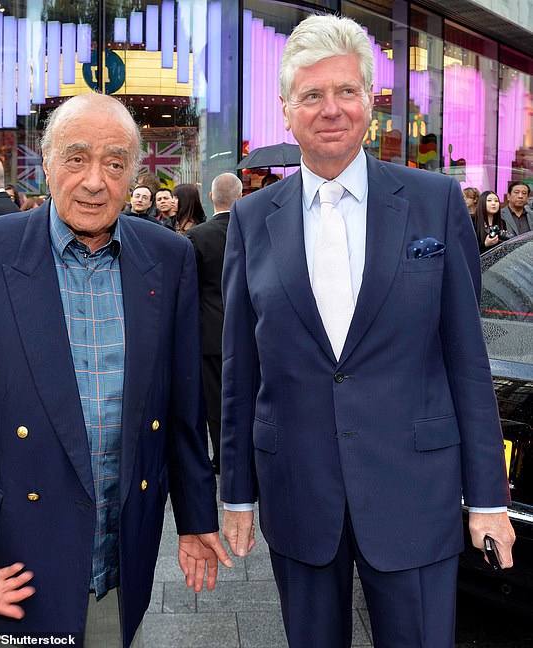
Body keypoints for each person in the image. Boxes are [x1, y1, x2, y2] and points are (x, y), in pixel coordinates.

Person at [220, 13, 514, 648]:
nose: (332, 109)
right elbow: (240, 373)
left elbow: (468, 362)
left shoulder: (433, 201)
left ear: (371, 104)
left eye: (347, 91)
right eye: (313, 95)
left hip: (416, 493)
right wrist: (237, 496)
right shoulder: (249, 220)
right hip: (299, 493)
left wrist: (489, 497)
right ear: (286, 109)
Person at [0, 92, 231, 647]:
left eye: (114, 163)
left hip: (116, 566)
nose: (93, 181)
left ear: (134, 174)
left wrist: (197, 517)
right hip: (7, 565)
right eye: (77, 157)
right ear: (46, 160)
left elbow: (181, 411)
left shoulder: (169, 256)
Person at [186, 173, 243, 475]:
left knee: (216, 401)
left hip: (209, 331)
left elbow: (189, 286)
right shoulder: (252, 231)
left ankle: (223, 457)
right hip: (247, 330)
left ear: (211, 197)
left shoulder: (199, 236)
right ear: (240, 197)